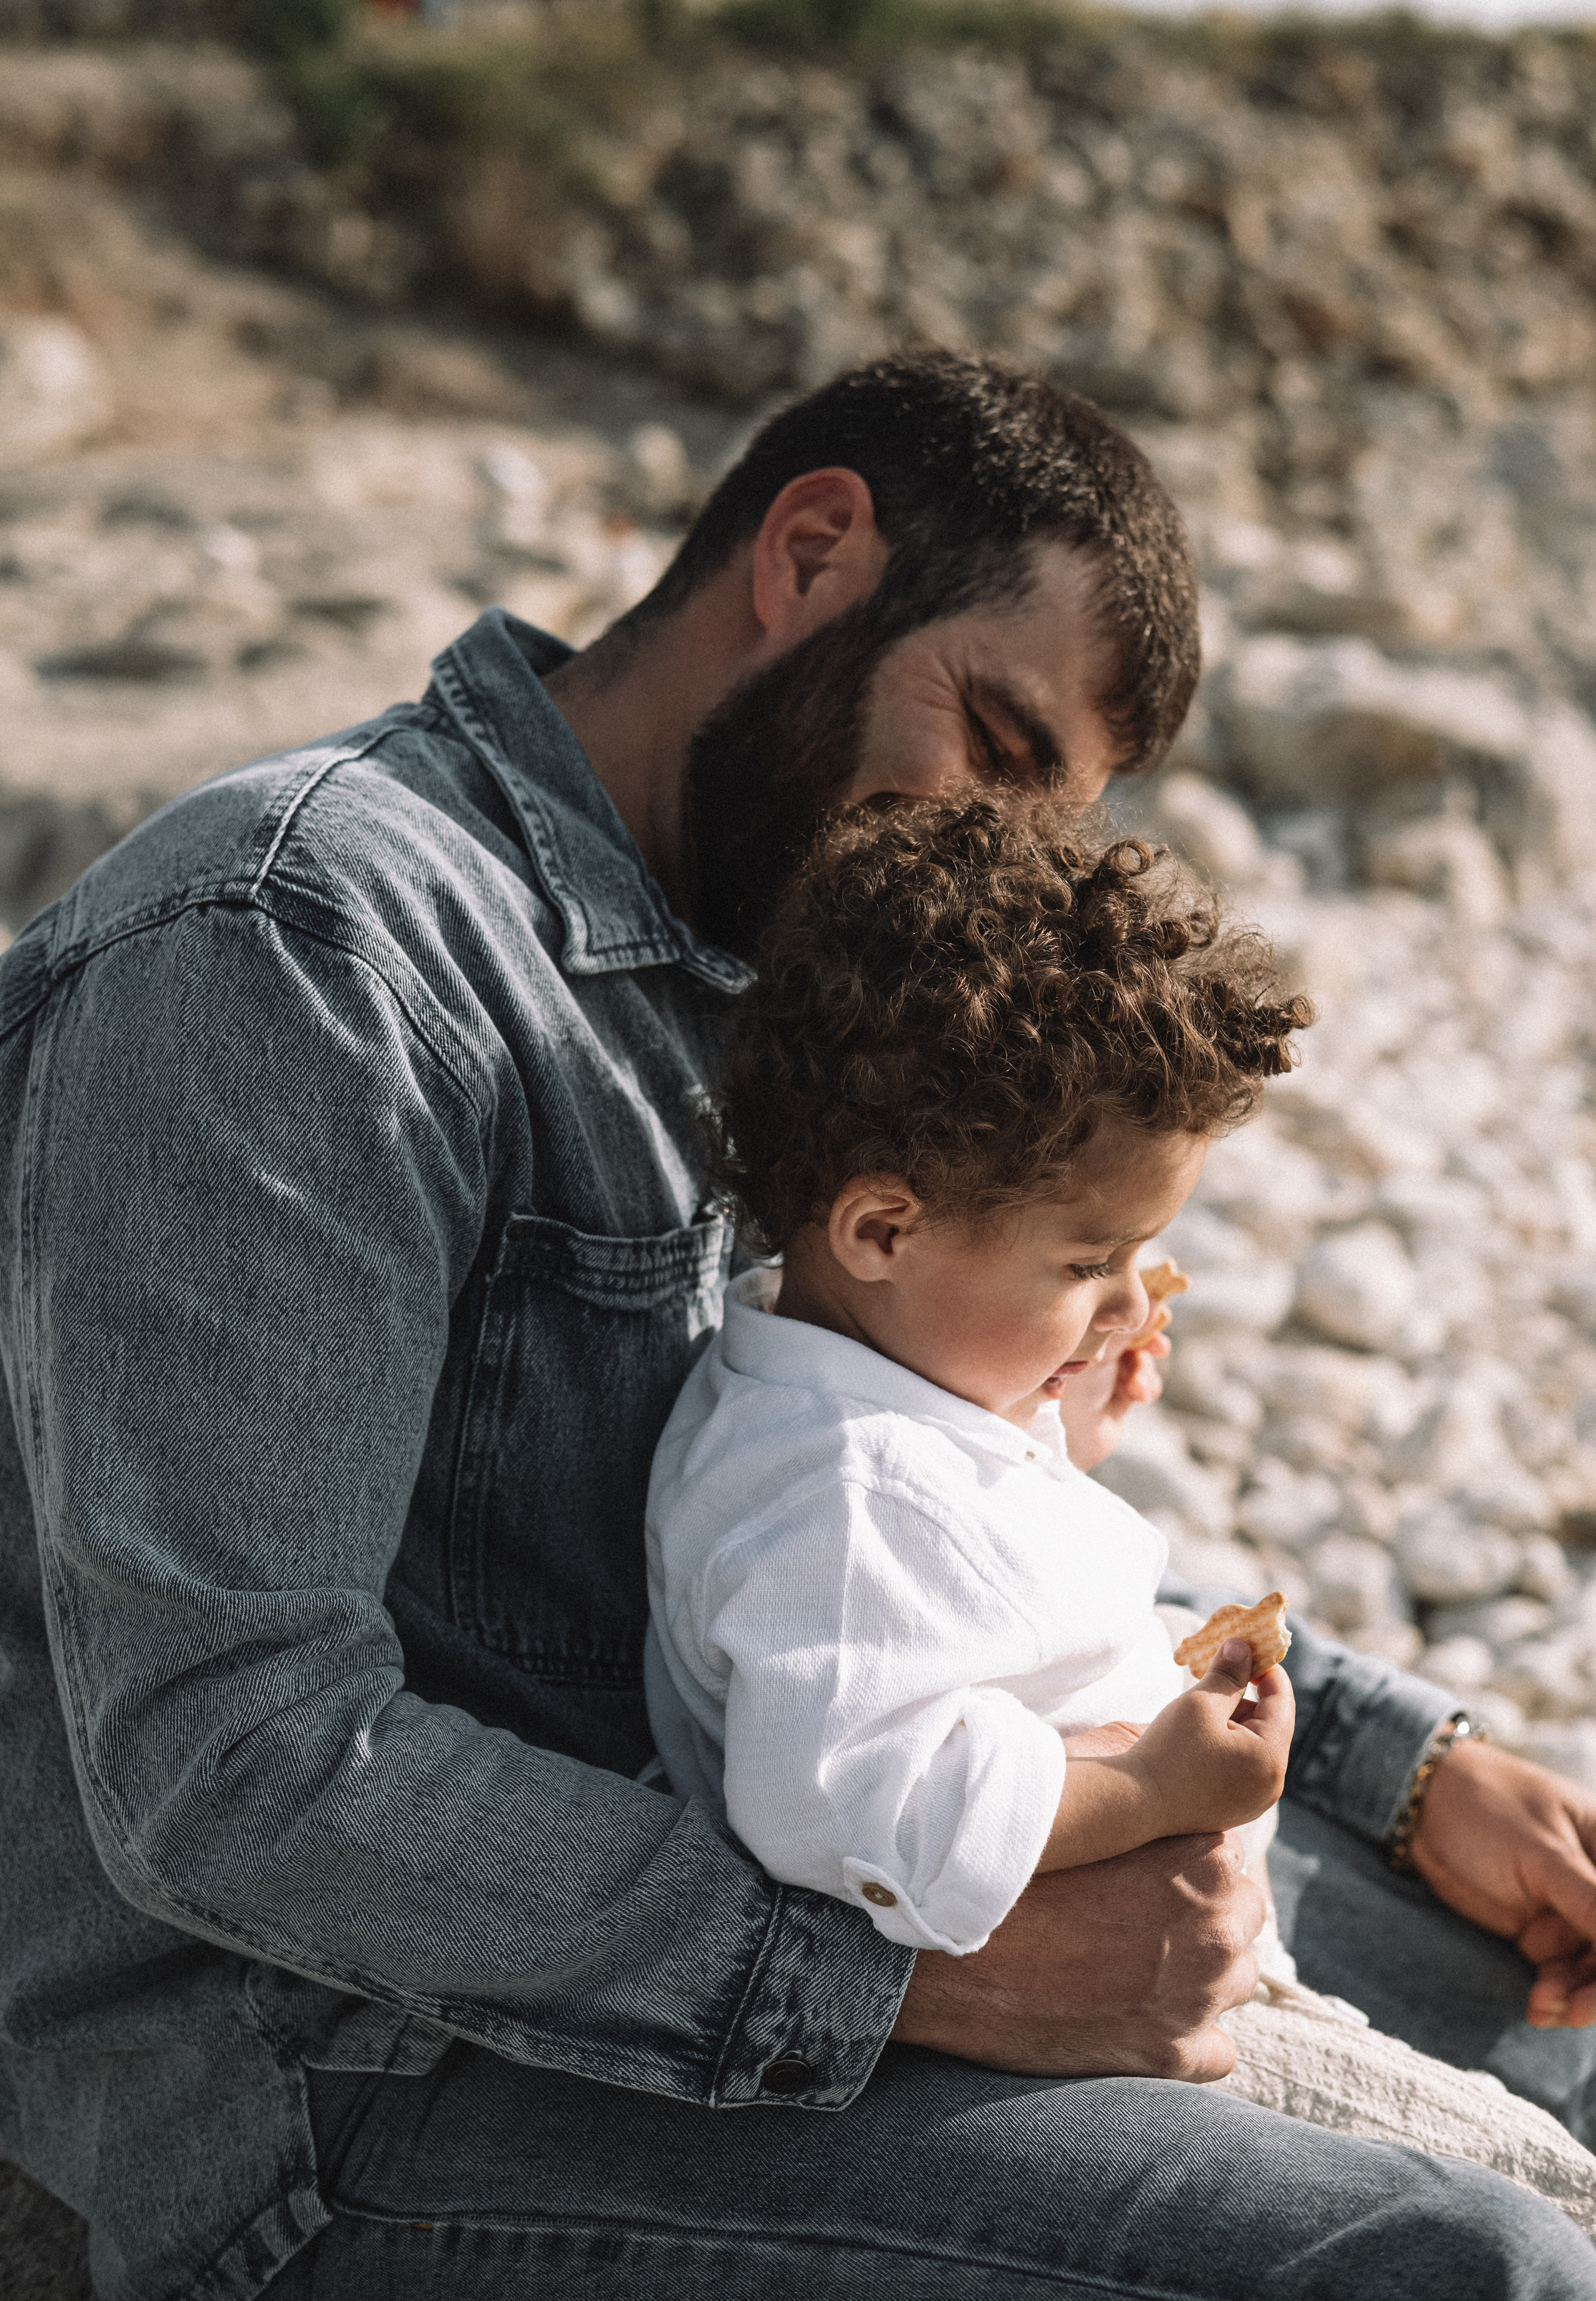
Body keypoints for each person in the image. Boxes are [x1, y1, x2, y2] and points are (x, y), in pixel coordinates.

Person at [2, 350, 1595, 2300]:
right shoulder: (297, 957)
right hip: (331, 2092)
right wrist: (910, 1977)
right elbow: (237, 1764)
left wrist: (1400, 1765)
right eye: (993, 738)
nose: (1001, 848)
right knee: (1460, 2261)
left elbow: (906, 1505)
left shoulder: (782, 958)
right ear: (814, 549)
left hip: (780, 1845)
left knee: (1563, 2011)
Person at [646, 792, 1596, 2232]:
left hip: (1184, 1970)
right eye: (1090, 1260)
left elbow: (958, 1574)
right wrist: (1152, 1792)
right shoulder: (833, 1494)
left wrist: (1061, 1416)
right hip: (1114, 2035)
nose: (1125, 1298)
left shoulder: (861, 1373)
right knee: (1541, 2200)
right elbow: (842, 1799)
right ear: (881, 1228)